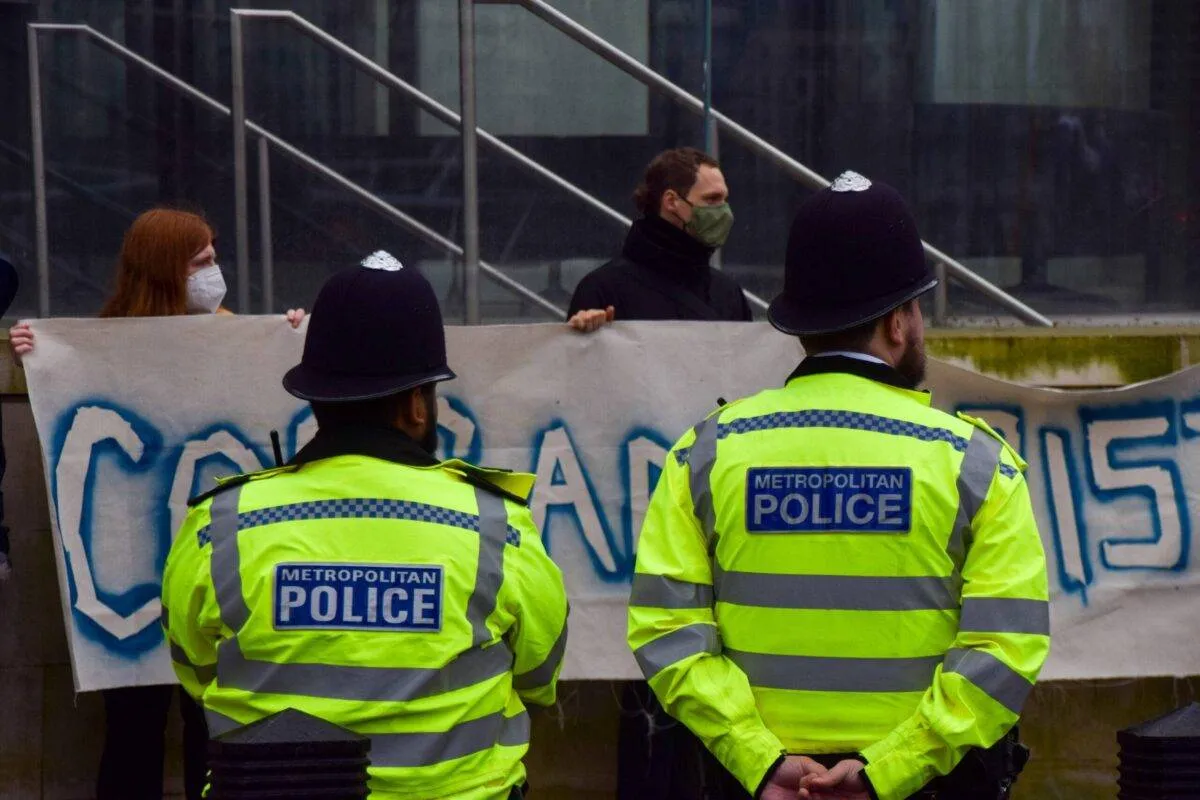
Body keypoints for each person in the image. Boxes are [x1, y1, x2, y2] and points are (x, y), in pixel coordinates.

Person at [627, 172, 1051, 800]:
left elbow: (667, 631)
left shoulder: (705, 456)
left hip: (760, 787)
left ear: (803, 323)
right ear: (899, 323)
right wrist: (888, 769)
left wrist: (760, 760)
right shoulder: (976, 465)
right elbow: (1005, 649)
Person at [161, 251, 570, 800]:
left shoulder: (220, 524)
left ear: (315, 397)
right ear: (416, 406)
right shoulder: (496, 525)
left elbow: (195, 670)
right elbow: (539, 674)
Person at [8, 207, 304, 800]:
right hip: (133, 571)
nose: (215, 272)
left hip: (210, 561)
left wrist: (288, 338)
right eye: (201, 261)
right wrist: (36, 356)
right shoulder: (106, 343)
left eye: (214, 257)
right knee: (133, 723)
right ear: (165, 268)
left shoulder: (234, 334)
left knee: (208, 719)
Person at [567, 146, 752, 333]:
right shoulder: (604, 290)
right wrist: (585, 329)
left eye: (724, 200)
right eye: (712, 199)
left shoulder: (729, 293)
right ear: (671, 201)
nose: (725, 211)